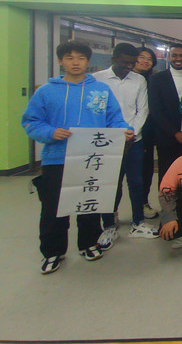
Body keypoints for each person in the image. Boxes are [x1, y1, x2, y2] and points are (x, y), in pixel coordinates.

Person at [22, 41, 134, 274]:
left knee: (89, 204)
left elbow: (114, 118)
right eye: (69, 58)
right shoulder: (46, 91)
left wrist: (124, 130)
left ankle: (89, 243)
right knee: (54, 208)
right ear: (60, 61)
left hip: (92, 158)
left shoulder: (100, 90)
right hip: (57, 159)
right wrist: (50, 133)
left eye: (81, 58)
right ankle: (53, 252)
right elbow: (31, 122)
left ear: (87, 62)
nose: (75, 62)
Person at [93, 43, 158, 249]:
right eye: (125, 63)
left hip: (133, 141)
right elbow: (95, 111)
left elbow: (142, 110)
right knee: (110, 183)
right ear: (113, 59)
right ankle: (109, 225)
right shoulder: (97, 79)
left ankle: (138, 222)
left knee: (136, 182)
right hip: (106, 141)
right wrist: (112, 135)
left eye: (132, 63)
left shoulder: (138, 80)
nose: (129, 67)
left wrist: (132, 133)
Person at [149, 44, 182, 189]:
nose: (178, 59)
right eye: (174, 55)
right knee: (166, 175)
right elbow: (155, 110)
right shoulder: (157, 79)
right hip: (167, 137)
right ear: (168, 57)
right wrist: (175, 133)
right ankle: (167, 202)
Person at [133, 47, 158, 220]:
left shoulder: (153, 80)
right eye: (141, 57)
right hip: (122, 133)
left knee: (145, 171)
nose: (145, 61)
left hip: (147, 133)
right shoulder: (126, 79)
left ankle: (143, 203)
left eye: (149, 59)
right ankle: (112, 210)